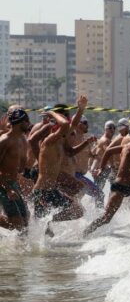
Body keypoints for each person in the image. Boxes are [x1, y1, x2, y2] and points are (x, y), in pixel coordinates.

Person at [32, 97, 88, 228]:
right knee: (35, 230)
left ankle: (49, 221)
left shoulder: (61, 140)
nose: (67, 127)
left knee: (78, 211)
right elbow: (65, 125)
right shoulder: (49, 140)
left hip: (51, 189)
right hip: (42, 190)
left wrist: (81, 109)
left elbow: (71, 124)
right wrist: (52, 113)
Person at [0, 109, 32, 232]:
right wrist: (8, 189)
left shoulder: (21, 139)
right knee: (17, 225)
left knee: (25, 221)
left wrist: (24, 178)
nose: (29, 123)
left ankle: (22, 250)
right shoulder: (5, 141)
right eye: (27, 121)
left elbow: (19, 167)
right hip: (4, 185)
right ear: (20, 123)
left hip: (13, 184)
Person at [91, 121, 116, 195]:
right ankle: (109, 204)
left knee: (98, 190)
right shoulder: (106, 140)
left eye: (114, 128)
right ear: (105, 129)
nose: (112, 130)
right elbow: (108, 153)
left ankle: (93, 205)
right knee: (113, 187)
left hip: (99, 168)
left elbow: (93, 152)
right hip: (101, 169)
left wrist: (91, 167)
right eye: (110, 128)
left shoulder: (101, 139)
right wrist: (113, 166)